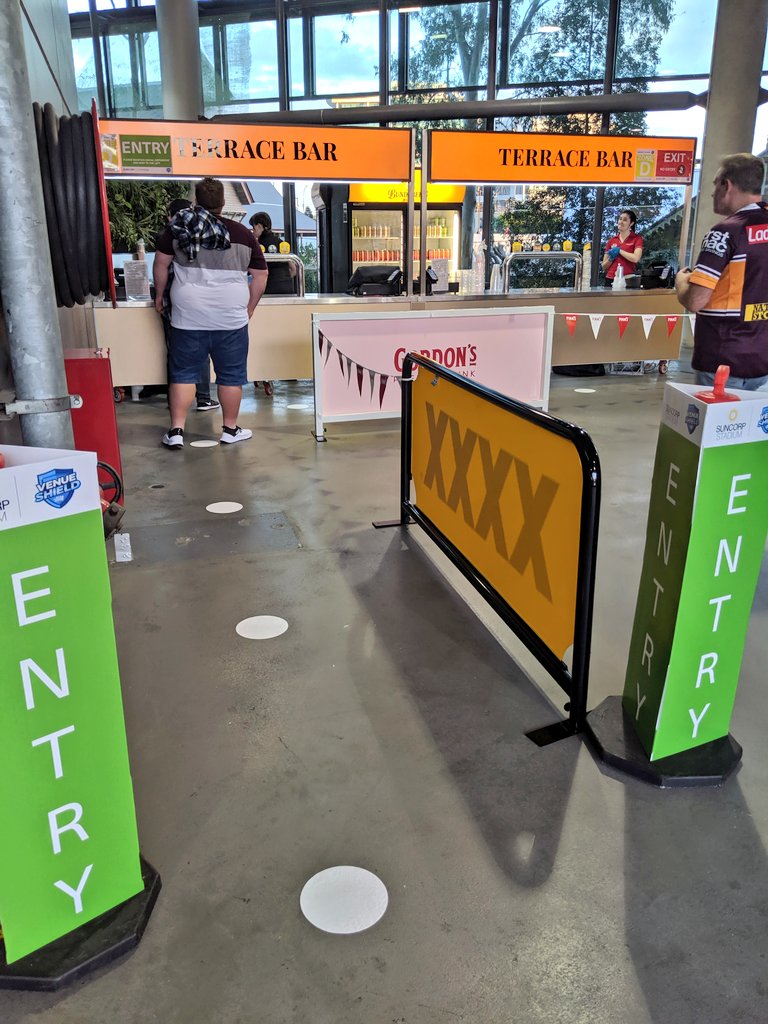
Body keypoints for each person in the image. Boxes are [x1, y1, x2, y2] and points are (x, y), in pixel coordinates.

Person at [153, 177, 268, 448]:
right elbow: (261, 276)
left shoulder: (178, 229)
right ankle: (229, 429)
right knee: (231, 374)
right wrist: (250, 306)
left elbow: (160, 265)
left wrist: (159, 295)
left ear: (196, 200)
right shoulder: (242, 234)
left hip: (187, 314)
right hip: (230, 316)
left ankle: (177, 431)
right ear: (223, 202)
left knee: (183, 373)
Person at [675, 152, 768, 390]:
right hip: (762, 359)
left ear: (727, 185)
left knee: (717, 426)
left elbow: (696, 300)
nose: (711, 192)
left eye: (715, 184)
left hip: (722, 359)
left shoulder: (725, 233)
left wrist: (681, 282)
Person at [154, 198, 219, 412]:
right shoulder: (203, 231)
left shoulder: (167, 235)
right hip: (200, 303)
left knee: (176, 352)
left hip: (174, 302)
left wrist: (159, 297)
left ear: (171, 214)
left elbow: (160, 268)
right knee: (200, 350)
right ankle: (203, 397)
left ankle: (175, 401)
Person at [249, 211, 297, 398]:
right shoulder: (281, 243)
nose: (253, 232)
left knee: (264, 334)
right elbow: (293, 268)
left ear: (260, 226)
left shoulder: (256, 244)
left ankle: (265, 375)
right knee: (284, 331)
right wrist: (284, 280)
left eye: (254, 227)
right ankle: (289, 370)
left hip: (266, 293)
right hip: (287, 291)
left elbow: (252, 271)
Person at [601, 209, 643, 286]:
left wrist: (619, 251)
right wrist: (611, 259)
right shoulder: (611, 240)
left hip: (628, 279)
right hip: (610, 279)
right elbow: (604, 267)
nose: (621, 222)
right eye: (620, 219)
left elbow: (636, 258)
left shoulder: (637, 239)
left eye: (625, 220)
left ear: (631, 223)